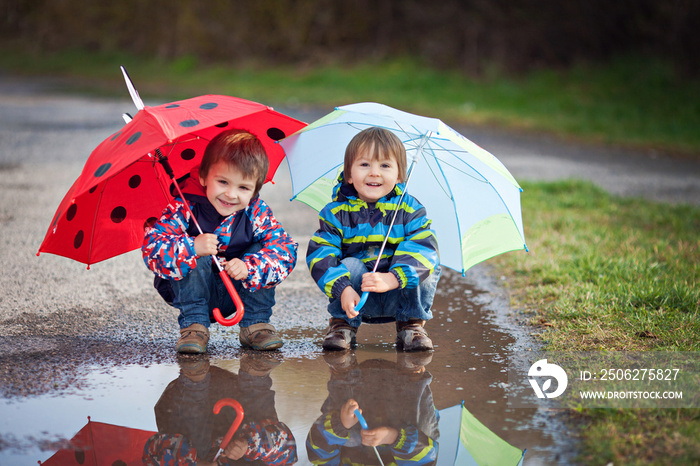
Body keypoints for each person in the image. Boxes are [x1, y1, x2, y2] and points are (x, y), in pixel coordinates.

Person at [143, 129, 297, 353]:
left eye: (243, 187)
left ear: (255, 190)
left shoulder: (256, 212)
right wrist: (191, 247)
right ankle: (194, 327)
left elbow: (284, 250)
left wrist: (249, 267)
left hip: (237, 286)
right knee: (193, 247)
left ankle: (256, 323)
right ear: (204, 176)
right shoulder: (184, 207)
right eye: (223, 182)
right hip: (194, 293)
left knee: (262, 247)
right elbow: (152, 248)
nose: (231, 194)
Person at [306, 127, 440, 352]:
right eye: (365, 164)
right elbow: (321, 253)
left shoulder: (410, 209)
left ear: (399, 175)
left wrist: (393, 278)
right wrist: (343, 288)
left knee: (427, 263)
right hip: (355, 297)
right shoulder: (336, 213)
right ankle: (342, 325)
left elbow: (424, 246)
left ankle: (411, 325)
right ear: (349, 173)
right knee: (349, 264)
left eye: (385, 165)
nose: (374, 173)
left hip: (397, 292)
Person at [144, 353, 297, 465]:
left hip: (183, 400)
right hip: (237, 393)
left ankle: (194, 376)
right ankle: (256, 367)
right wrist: (248, 444)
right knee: (264, 439)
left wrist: (194, 463)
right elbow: (287, 448)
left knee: (198, 449)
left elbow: (153, 450)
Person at [306, 352, 439, 465]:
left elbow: (317, 451)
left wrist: (341, 425)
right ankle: (414, 367)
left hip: (355, 387)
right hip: (402, 391)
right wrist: (393, 437)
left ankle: (341, 366)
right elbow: (427, 457)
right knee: (426, 441)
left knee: (351, 437)